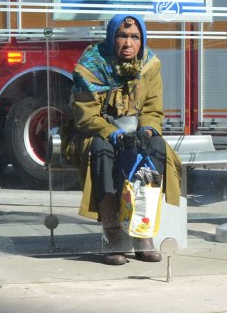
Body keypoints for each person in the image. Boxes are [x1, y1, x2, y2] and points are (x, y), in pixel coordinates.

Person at [62, 14, 181, 264]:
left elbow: (152, 109)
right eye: (122, 36)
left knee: (155, 148)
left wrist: (147, 131)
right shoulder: (91, 66)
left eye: (135, 37)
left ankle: (142, 233)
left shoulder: (149, 64)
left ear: (142, 41)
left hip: (134, 130)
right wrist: (112, 133)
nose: (128, 43)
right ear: (111, 38)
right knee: (102, 151)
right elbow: (85, 117)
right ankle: (112, 233)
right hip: (94, 132)